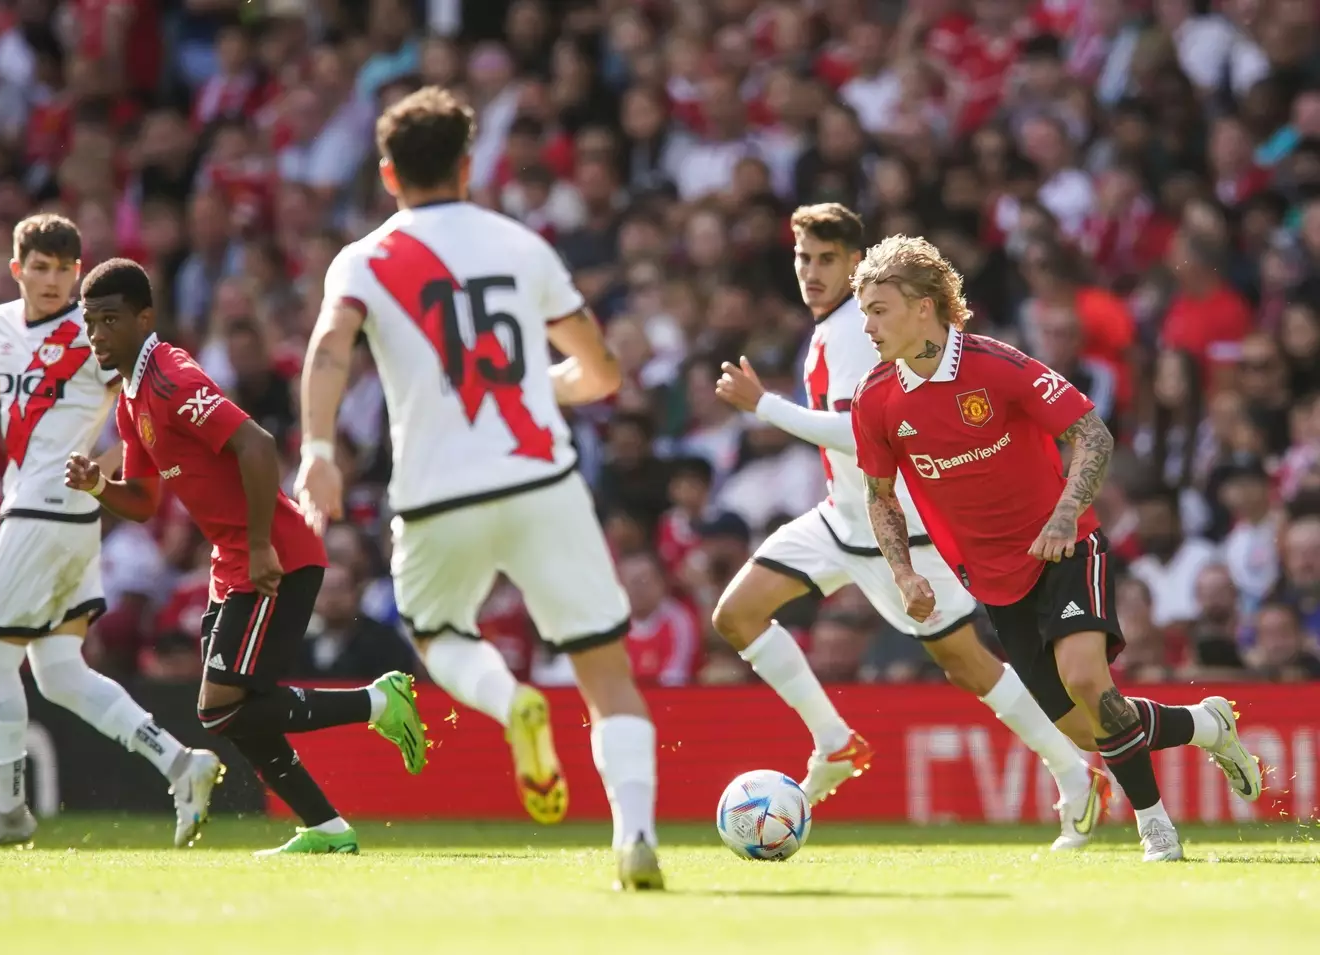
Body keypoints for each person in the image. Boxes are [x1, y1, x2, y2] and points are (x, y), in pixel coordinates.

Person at [294, 86, 662, 891]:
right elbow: (600, 370)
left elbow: (328, 347)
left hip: (435, 494)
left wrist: (318, 447)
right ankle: (634, 835)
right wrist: (545, 385)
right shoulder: (521, 245)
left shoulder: (363, 259)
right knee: (605, 670)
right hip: (542, 477)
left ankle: (512, 702)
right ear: (469, 163)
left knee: (439, 635)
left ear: (388, 173)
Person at [849, 234, 1263, 862]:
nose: (868, 324)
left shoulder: (999, 366)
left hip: (1066, 549)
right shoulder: (874, 399)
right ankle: (1207, 725)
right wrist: (904, 573)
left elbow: (1091, 436)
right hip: (990, 576)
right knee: (1085, 725)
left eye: (879, 309)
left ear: (926, 305)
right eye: (864, 312)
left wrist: (1068, 513)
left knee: (1088, 680)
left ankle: (1156, 831)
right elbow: (879, 497)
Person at [712, 203, 1109, 850]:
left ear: (853, 262)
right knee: (737, 614)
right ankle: (836, 741)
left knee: (967, 664)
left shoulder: (856, 330)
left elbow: (858, 431)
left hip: (903, 530)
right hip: (841, 517)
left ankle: (1074, 770)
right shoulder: (834, 327)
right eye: (803, 258)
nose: (811, 272)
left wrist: (766, 408)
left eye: (827, 260)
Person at [64, 257, 426, 857]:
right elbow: (145, 503)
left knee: (221, 706)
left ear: (144, 317)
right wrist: (98, 487)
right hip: (232, 564)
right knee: (231, 712)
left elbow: (255, 445)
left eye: (109, 319)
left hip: (272, 555)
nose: (97, 333)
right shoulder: (131, 402)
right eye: (89, 321)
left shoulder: (170, 377)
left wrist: (258, 544)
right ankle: (327, 828)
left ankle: (381, 702)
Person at [0, 215, 223, 851]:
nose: (51, 279)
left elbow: (139, 411)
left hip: (47, 508)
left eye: (64, 269)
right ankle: (182, 763)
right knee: (61, 672)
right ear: (17, 270)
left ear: (77, 271)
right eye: (39, 267)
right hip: (52, 513)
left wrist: (109, 467)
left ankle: (8, 809)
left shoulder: (93, 332)